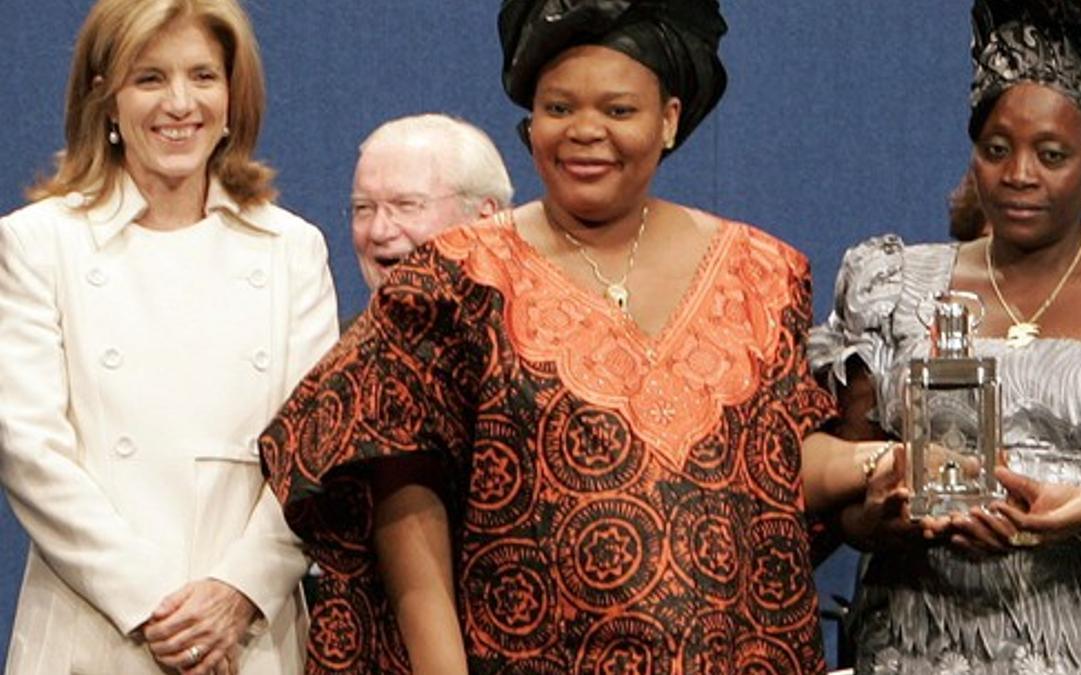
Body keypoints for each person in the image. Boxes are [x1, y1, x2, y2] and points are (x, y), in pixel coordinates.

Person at [259, 1, 897, 672]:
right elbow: (400, 487)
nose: (584, 132)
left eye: (618, 111)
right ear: (531, 124)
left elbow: (767, 466)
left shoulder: (760, 273)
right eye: (559, 108)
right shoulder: (453, 278)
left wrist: (890, 464)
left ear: (670, 119)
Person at [812, 2, 1081, 673]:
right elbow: (848, 491)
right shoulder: (893, 282)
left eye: (1052, 154)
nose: (1019, 173)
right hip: (919, 640)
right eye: (997, 148)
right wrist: (888, 514)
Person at [0, 0, 338, 673]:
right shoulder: (40, 244)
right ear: (106, 98)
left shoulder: (291, 249)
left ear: (233, 95)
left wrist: (237, 591)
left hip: (247, 638)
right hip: (93, 631)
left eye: (203, 77)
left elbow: (317, 451)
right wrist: (156, 604)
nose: (180, 103)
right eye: (149, 78)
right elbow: (30, 447)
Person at [349, 114, 514, 292]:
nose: (378, 232)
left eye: (406, 205)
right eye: (363, 208)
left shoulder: (540, 317)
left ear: (484, 221)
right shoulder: (325, 320)